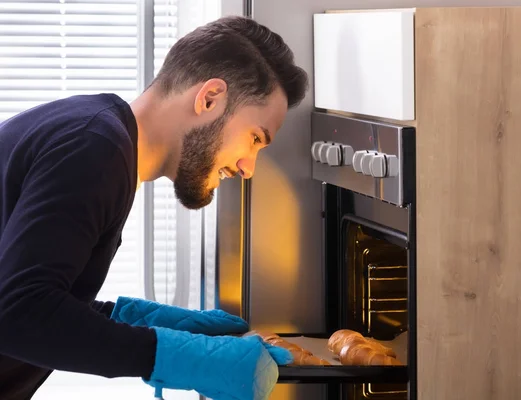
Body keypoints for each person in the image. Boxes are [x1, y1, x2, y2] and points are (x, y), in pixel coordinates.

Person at [0, 15, 308, 400]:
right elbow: (17, 313)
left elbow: (30, 293)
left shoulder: (97, 136)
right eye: (255, 138)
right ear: (209, 98)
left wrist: (149, 323)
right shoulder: (94, 150)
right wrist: (181, 356)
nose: (248, 167)